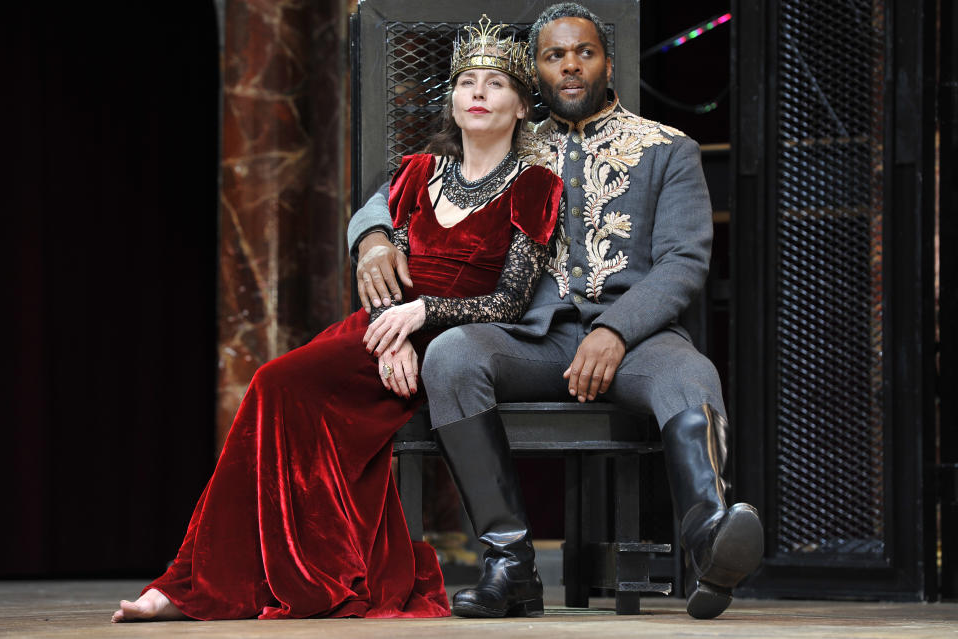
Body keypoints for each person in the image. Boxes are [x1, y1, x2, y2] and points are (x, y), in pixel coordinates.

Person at [112, 15, 562, 622]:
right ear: (452, 101)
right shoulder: (415, 174)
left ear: (521, 106)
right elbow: (386, 276)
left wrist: (420, 318)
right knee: (274, 383)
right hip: (381, 336)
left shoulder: (536, 185)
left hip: (459, 340)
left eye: (496, 83)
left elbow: (508, 302)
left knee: (289, 395)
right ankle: (197, 581)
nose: (478, 93)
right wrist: (392, 336)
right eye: (466, 82)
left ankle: (264, 574)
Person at [348, 2, 763, 621]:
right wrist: (373, 237)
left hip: (640, 340)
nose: (571, 65)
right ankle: (509, 564)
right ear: (535, 75)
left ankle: (708, 537)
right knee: (454, 354)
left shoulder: (668, 148)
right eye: (554, 55)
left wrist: (616, 331)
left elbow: (683, 263)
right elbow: (397, 192)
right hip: (528, 336)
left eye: (584, 52)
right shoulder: (512, 139)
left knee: (691, 374)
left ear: (607, 61)